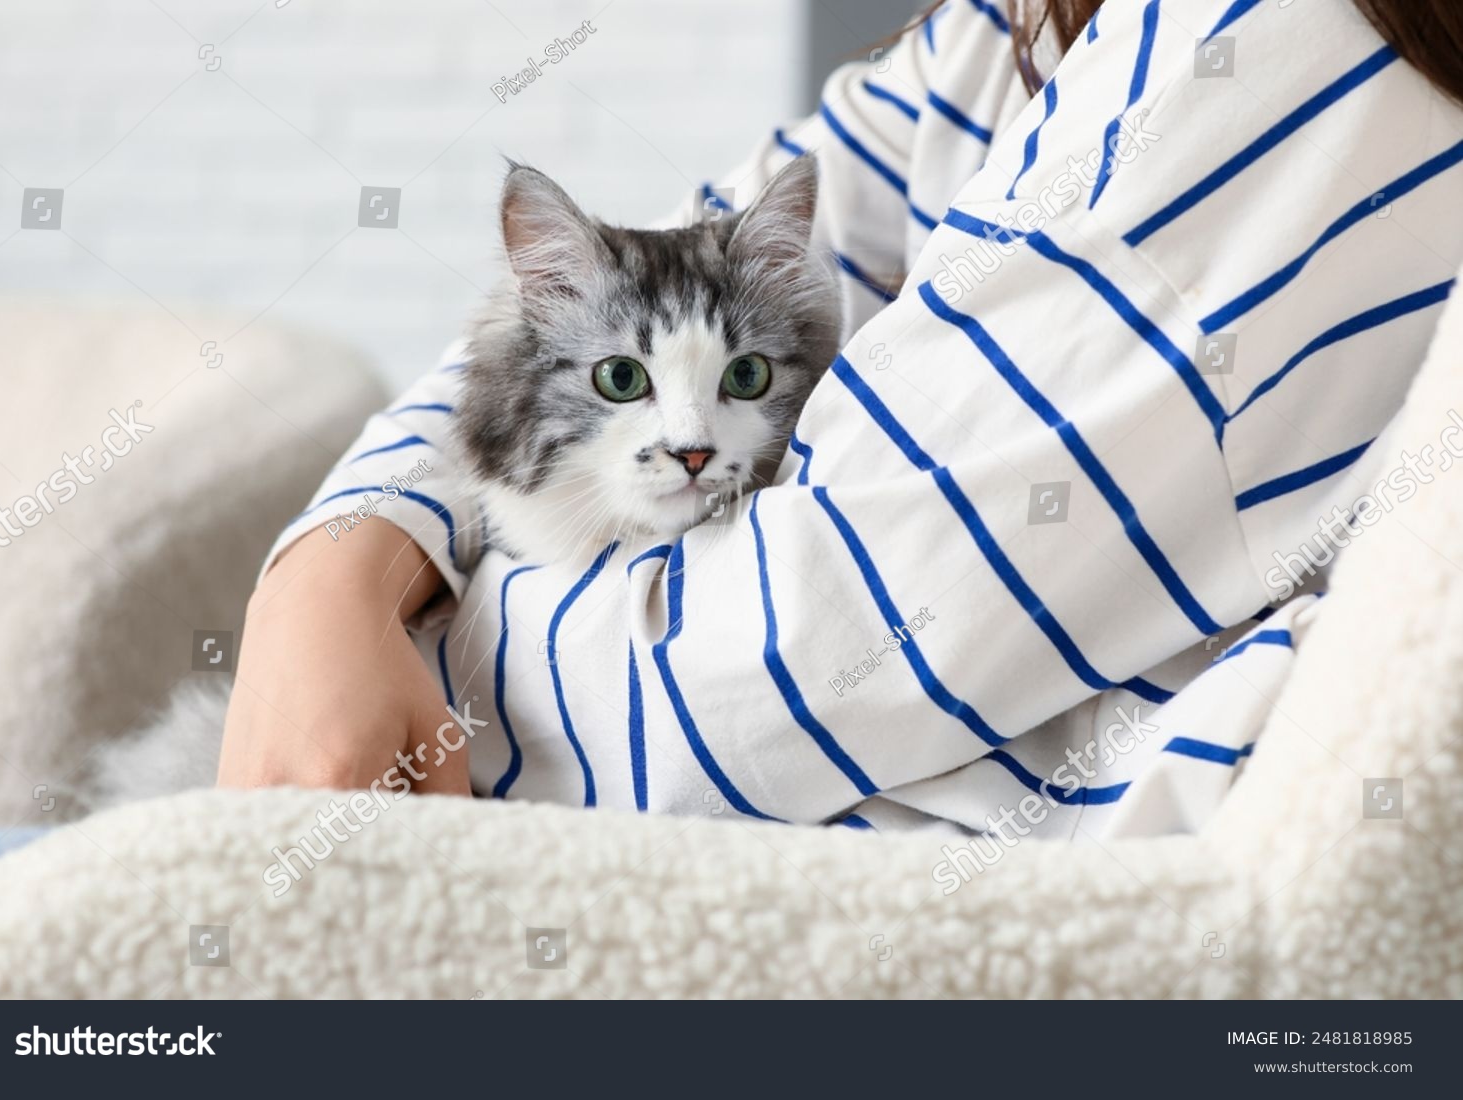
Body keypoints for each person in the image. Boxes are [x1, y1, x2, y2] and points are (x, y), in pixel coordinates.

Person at [216, 0, 1463, 836]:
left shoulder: (1260, 55)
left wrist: (380, 664)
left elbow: (747, 689)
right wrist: (333, 574)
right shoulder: (1010, 31)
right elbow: (611, 284)